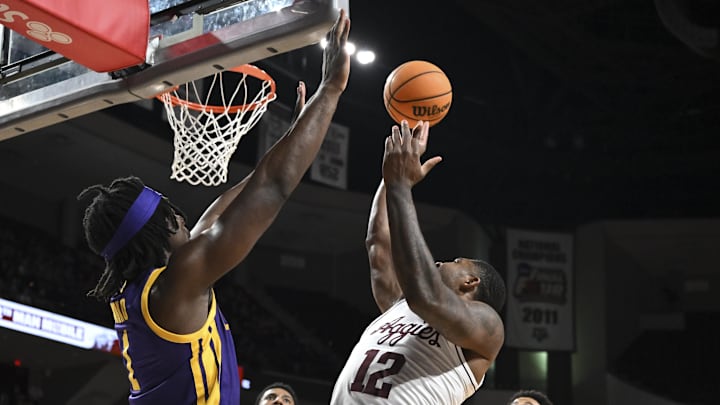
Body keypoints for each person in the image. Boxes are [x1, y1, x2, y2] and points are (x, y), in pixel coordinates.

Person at [76, 9, 350, 405]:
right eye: (171, 213)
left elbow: (226, 208)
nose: (184, 218)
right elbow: (272, 188)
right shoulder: (176, 284)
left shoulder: (147, 288)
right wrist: (332, 89)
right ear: (163, 228)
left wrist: (293, 137)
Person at [330, 120, 507, 404]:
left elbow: (426, 295)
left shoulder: (487, 327)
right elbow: (378, 243)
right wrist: (391, 177)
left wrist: (401, 186)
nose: (441, 262)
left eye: (455, 261)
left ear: (470, 281)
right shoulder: (402, 304)